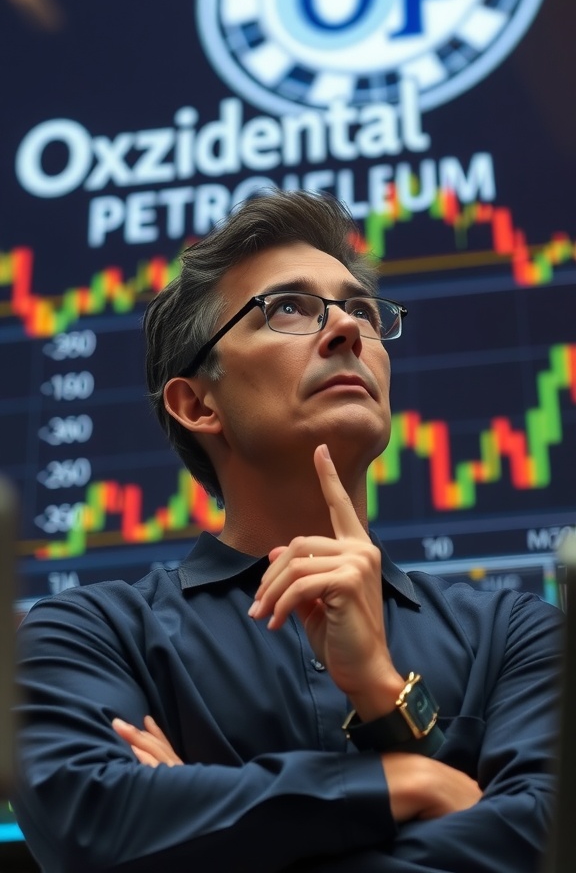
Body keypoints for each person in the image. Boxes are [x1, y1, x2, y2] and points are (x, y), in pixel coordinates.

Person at [14, 190, 562, 873]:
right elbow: (90, 820)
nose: (348, 332)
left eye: (360, 308)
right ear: (197, 404)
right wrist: (417, 783)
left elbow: (549, 842)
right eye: (289, 309)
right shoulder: (87, 635)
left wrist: (383, 695)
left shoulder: (520, 635)